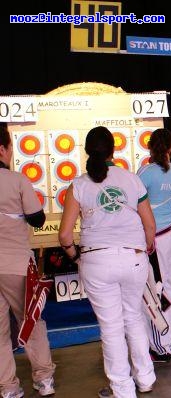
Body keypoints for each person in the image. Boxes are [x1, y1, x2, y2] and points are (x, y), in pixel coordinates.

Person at [59, 126, 156, 398]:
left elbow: (65, 235)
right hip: (134, 257)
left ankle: (122, 389)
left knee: (111, 326)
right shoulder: (131, 179)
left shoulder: (78, 185)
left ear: (88, 150)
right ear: (114, 149)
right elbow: (149, 225)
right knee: (134, 317)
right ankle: (146, 378)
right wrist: (144, 249)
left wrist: (75, 256)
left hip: (96, 260)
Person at [0, 127, 55, 398]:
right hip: (16, 264)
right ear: (2, 149)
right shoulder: (17, 179)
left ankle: (8, 388)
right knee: (30, 321)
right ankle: (44, 380)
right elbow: (38, 219)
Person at [137, 128, 171, 362]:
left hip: (153, 238)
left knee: (156, 289)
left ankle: (162, 341)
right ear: (170, 148)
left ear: (149, 147)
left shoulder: (144, 173)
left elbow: (138, 209)